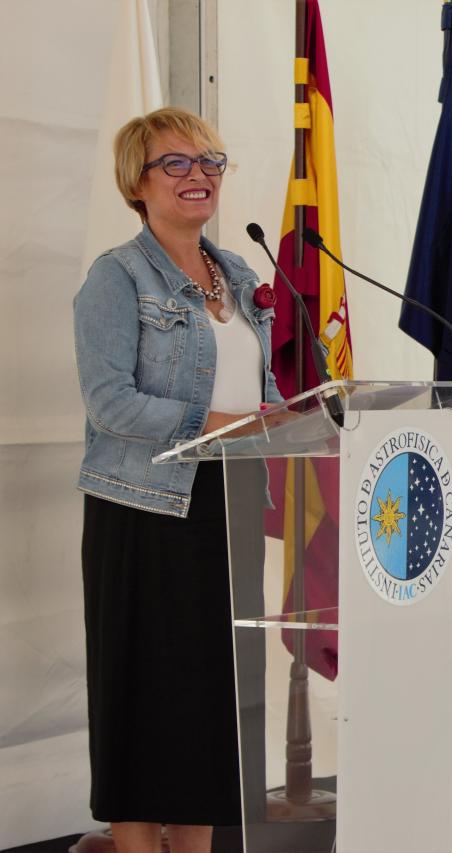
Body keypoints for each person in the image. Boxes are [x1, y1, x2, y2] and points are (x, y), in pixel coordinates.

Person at [73, 107, 283, 853]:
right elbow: (110, 403)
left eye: (210, 162)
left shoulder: (239, 273)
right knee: (142, 696)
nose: (199, 175)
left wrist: (293, 417)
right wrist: (221, 421)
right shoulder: (117, 276)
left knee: (209, 703)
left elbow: (262, 394)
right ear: (138, 180)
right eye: (178, 164)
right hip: (145, 512)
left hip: (228, 511)